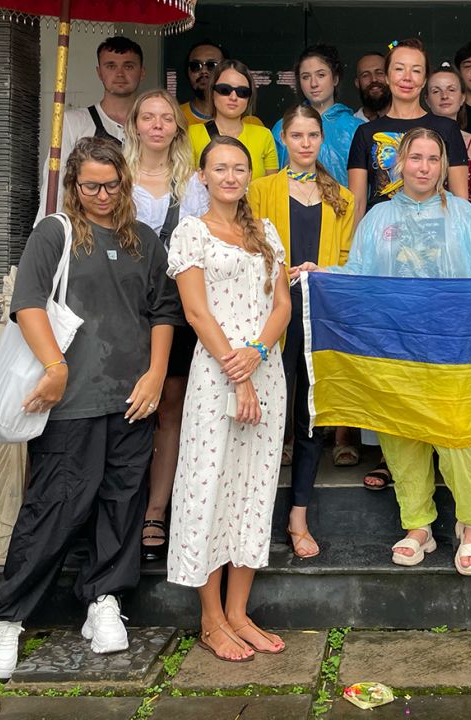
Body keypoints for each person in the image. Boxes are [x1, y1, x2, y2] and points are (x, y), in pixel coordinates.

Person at [0, 137, 181, 680]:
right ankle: (6, 617)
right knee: (58, 504)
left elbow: (163, 310)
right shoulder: (57, 233)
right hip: (70, 396)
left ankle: (105, 599)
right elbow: (27, 303)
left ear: (126, 182)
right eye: (91, 185)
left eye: (112, 185)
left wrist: (157, 374)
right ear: (74, 184)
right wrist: (55, 367)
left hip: (132, 392)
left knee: (122, 501)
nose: (102, 195)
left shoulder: (145, 241)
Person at [299, 128, 471, 576]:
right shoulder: (378, 218)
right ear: (399, 164)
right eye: (415, 158)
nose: (423, 167)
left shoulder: (463, 214)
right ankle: (418, 525)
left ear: (443, 165)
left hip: (453, 347)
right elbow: (358, 272)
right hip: (394, 347)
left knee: (461, 436)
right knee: (401, 437)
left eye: (432, 159)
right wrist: (324, 274)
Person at [167, 135, 291, 663]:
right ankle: (211, 618)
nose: (231, 177)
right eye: (220, 168)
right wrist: (238, 372)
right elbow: (196, 312)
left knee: (255, 490)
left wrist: (259, 354)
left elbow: (282, 304)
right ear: (203, 176)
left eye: (239, 168)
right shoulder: (191, 232)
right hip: (217, 373)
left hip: (266, 369)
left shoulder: (266, 232)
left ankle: (239, 611)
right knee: (209, 486)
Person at [249, 106, 356, 559]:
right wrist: (277, 273)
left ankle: (298, 516)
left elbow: (352, 261)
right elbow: (246, 250)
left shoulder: (342, 197)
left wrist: (324, 270)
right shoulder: (259, 190)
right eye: (297, 135)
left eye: (313, 135)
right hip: (272, 315)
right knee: (268, 416)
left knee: (309, 418)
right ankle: (254, 515)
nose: (306, 143)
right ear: (283, 139)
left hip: (319, 315)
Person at [122, 90, 199, 564]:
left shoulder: (195, 183)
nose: (156, 124)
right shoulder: (117, 176)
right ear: (133, 124)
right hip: (124, 305)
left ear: (176, 127)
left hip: (177, 304)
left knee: (170, 409)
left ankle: (155, 510)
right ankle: (122, 508)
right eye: (147, 117)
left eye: (165, 117)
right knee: (129, 409)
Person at [346, 38, 470, 222]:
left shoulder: (447, 129)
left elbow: (461, 201)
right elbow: (357, 203)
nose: (407, 77)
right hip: (383, 236)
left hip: (435, 234)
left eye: (416, 70)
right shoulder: (365, 132)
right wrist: (355, 248)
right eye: (399, 69)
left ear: (424, 80)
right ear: (387, 77)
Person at [37, 36, 145, 218]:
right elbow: (56, 182)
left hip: (141, 224)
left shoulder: (154, 127)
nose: (120, 74)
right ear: (99, 72)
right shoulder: (75, 122)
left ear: (142, 72)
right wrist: (48, 231)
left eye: (128, 66)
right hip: (87, 228)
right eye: (111, 66)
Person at [271, 45, 363, 188]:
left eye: (321, 75)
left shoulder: (356, 128)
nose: (313, 84)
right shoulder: (282, 126)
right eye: (306, 77)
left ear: (335, 79)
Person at [186, 59, 279, 178]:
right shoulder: (192, 135)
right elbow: (186, 189)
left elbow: (271, 189)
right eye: (225, 90)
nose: (233, 97)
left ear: (249, 97)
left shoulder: (264, 136)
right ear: (212, 92)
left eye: (242, 92)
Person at [424, 63, 471, 201]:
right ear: (427, 100)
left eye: (452, 90)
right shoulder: (416, 139)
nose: (444, 96)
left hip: (463, 218)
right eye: (436, 91)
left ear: (462, 97)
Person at [352, 51, 390, 122]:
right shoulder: (347, 127)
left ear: (390, 78)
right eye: (365, 75)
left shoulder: (408, 122)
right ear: (357, 83)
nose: (374, 79)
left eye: (379, 73)